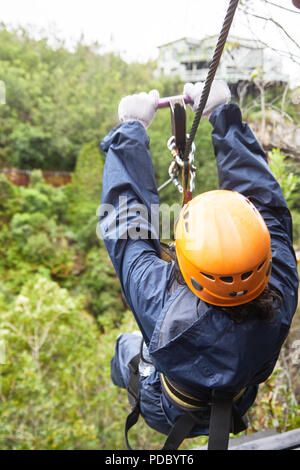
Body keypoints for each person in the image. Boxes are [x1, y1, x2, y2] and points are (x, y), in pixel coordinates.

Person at [99, 81, 299, 449]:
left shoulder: (165, 311)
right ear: (264, 254)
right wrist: (223, 116)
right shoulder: (281, 287)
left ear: (189, 268)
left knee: (124, 347)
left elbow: (127, 228)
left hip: (167, 407)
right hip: (238, 398)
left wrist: (131, 129)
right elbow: (267, 206)